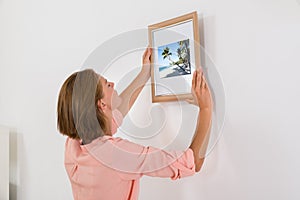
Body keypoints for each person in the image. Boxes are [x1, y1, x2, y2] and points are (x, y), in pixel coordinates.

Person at [57, 47, 213, 200]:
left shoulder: (73, 145)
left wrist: (144, 74)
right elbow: (192, 162)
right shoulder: (117, 155)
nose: (112, 83)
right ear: (102, 105)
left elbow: (114, 115)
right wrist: (206, 108)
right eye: (107, 85)